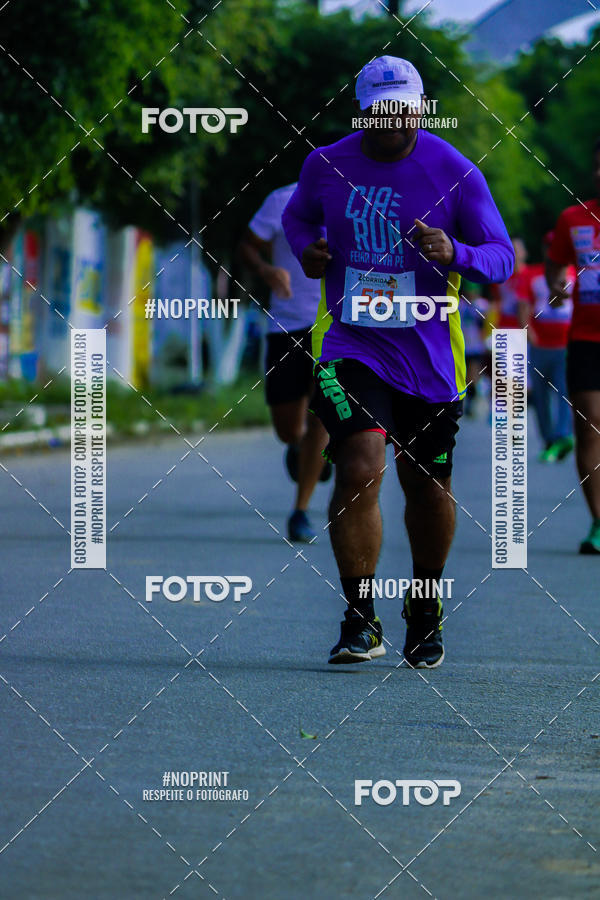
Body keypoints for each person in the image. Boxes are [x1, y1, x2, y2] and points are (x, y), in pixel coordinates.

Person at [282, 55, 514, 667]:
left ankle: (427, 604)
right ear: (362, 108)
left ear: (418, 104)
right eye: (381, 106)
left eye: (402, 104)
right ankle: (360, 619)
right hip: (350, 343)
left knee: (427, 486)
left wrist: (457, 250)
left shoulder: (455, 171)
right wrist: (308, 249)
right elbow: (297, 215)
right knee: (360, 465)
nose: (392, 117)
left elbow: (502, 255)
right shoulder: (326, 163)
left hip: (431, 354)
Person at [238, 184, 331, 543]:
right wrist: (266, 272)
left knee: (322, 412)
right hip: (286, 325)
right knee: (288, 429)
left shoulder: (359, 197)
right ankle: (302, 447)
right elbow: (246, 245)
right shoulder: (281, 199)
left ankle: (300, 511)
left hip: (335, 325)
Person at [546, 139, 600, 553]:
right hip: (586, 337)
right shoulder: (573, 218)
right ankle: (598, 523)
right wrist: (554, 285)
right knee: (589, 428)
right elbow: (554, 263)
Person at [517, 232, 574, 463]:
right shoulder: (531, 274)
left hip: (566, 343)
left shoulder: (576, 273)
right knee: (540, 396)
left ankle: (562, 436)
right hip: (540, 343)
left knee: (564, 392)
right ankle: (549, 439)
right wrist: (528, 331)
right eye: (549, 246)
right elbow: (523, 305)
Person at [459, 281, 490, 417]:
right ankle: (464, 399)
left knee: (473, 375)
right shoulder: (460, 303)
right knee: (463, 376)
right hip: (461, 344)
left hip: (476, 345)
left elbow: (487, 324)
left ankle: (471, 402)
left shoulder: (482, 305)